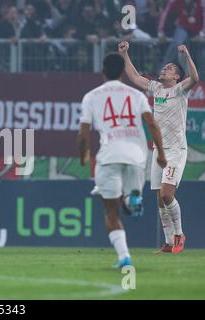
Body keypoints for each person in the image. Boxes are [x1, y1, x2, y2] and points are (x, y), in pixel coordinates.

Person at [78, 52, 167, 268]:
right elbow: (152, 124)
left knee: (110, 210)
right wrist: (162, 154)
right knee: (127, 202)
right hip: (137, 155)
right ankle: (132, 199)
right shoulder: (136, 95)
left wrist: (83, 156)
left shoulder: (91, 97)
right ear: (122, 73)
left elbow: (83, 133)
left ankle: (124, 256)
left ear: (103, 72)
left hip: (109, 155)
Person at [119, 41, 199, 254]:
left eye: (170, 68)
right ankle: (168, 242)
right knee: (159, 199)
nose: (164, 69)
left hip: (176, 151)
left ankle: (179, 234)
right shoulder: (156, 88)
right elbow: (135, 77)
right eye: (165, 67)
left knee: (166, 195)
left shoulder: (181, 90)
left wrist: (187, 56)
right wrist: (125, 54)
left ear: (176, 77)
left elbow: (195, 78)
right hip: (158, 151)